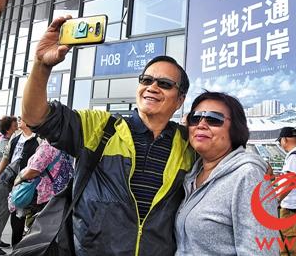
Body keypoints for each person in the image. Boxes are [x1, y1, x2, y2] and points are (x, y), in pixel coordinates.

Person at [21, 15, 194, 255]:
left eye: (164, 84)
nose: (152, 87)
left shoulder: (189, 145)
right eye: (146, 80)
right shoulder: (101, 127)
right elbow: (36, 117)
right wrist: (41, 65)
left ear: (180, 100)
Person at [174, 91, 279, 255]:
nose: (201, 124)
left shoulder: (248, 176)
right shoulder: (193, 174)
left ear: (235, 128)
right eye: (195, 118)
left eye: (214, 119)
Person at [0, 117, 39, 246]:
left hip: (30, 184)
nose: (19, 119)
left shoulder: (38, 139)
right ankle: (16, 247)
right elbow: (6, 157)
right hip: (13, 183)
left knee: (28, 218)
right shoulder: (15, 137)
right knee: (16, 218)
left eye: (22, 118)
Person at [10, 138, 74, 226]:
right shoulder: (62, 144)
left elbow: (34, 170)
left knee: (40, 224)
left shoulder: (47, 147)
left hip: (45, 193)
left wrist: (20, 177)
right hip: (59, 190)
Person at [276, 126, 296, 256]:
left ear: (284, 139)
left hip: (291, 209)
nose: (280, 144)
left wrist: (277, 199)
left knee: (292, 248)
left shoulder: (294, 156)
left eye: (280, 141)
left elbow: (290, 182)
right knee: (295, 247)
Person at [0, 116, 18, 256]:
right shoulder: (5, 144)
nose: (17, 128)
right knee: (1, 213)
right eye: (14, 126)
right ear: (8, 129)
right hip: (1, 182)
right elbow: (10, 162)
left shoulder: (4, 141)